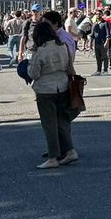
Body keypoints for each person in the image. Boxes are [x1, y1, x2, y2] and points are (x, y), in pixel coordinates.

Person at [30, 20, 79, 170]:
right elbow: (69, 67)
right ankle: (70, 151)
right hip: (63, 86)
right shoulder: (62, 46)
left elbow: (34, 73)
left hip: (45, 90)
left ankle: (53, 157)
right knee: (62, 121)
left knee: (49, 124)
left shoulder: (40, 51)